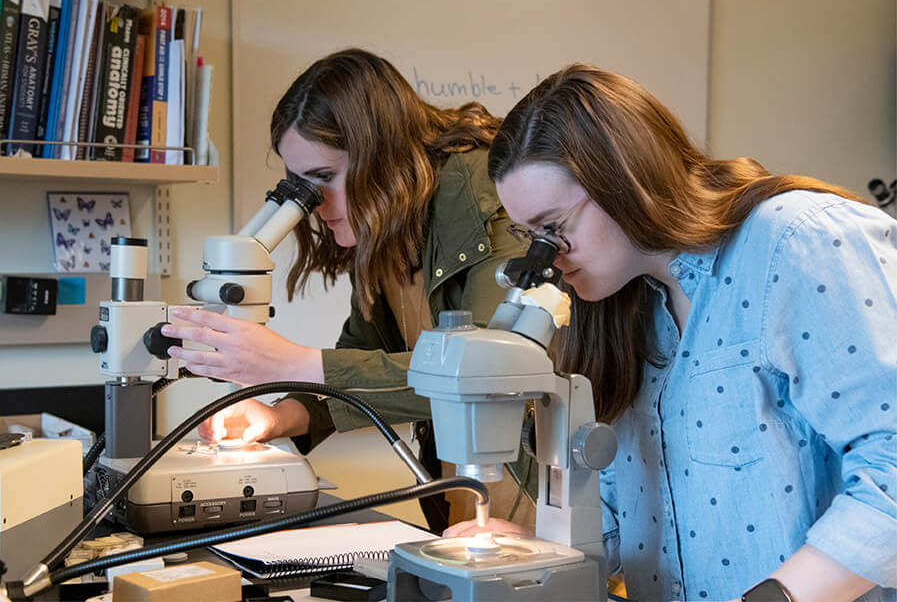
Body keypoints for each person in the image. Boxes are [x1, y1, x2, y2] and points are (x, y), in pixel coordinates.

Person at [445, 64, 897, 602]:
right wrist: (536, 553)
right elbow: (630, 514)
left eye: (555, 228)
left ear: (624, 181)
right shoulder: (623, 305)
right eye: (529, 234)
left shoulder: (797, 241)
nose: (546, 257)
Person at [160, 48, 529, 533]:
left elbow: (495, 369)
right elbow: (368, 352)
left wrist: (288, 361)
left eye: (325, 178)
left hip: (541, 497)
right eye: (301, 184)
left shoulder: (483, 193)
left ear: (382, 156)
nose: (313, 204)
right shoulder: (389, 224)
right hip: (466, 508)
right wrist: (281, 417)